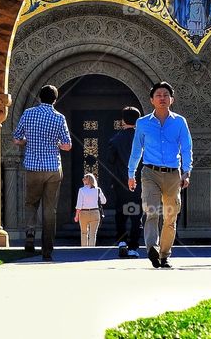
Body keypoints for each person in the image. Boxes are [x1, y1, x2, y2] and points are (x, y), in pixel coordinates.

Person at [127, 81, 193, 269]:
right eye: (158, 95)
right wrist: (131, 173)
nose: (162, 98)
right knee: (152, 211)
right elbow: (136, 150)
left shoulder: (179, 122)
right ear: (152, 100)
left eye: (165, 95)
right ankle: (151, 248)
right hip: (150, 173)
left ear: (172, 99)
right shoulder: (142, 123)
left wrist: (186, 172)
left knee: (170, 216)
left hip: (173, 174)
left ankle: (164, 255)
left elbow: (187, 148)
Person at [12, 84, 72, 261]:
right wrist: (56, 144)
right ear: (55, 99)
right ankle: (47, 249)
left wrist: (26, 141)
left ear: (39, 97)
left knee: (31, 203)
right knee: (49, 209)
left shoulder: (28, 114)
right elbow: (67, 145)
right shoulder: (59, 118)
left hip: (32, 167)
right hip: (53, 168)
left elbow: (16, 138)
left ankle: (30, 233)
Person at [106, 106, 142, 258]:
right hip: (139, 182)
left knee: (120, 212)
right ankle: (133, 247)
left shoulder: (115, 139)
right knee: (136, 215)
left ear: (123, 121)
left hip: (121, 183)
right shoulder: (143, 139)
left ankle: (122, 242)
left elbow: (110, 160)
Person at [73, 173, 106, 247]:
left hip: (83, 213)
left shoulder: (81, 190)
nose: (83, 180)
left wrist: (76, 216)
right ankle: (91, 250)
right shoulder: (98, 190)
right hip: (95, 212)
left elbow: (79, 205)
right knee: (93, 234)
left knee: (84, 233)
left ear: (87, 181)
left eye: (84, 179)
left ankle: (84, 249)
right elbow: (104, 201)